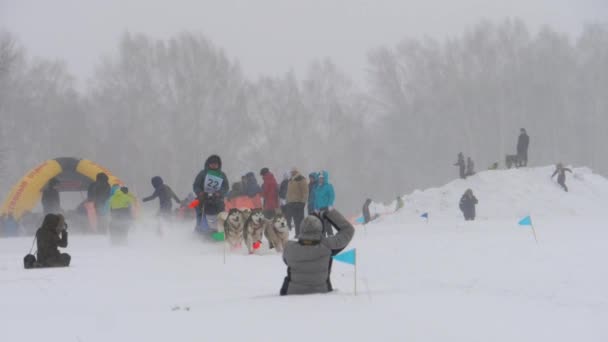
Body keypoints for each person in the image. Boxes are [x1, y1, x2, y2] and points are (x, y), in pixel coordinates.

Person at [280, 209, 355, 296]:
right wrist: (327, 214)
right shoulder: (328, 246)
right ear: (321, 229)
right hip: (321, 293)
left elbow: (286, 261)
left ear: (301, 229)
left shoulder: (289, 248)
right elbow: (348, 230)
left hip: (291, 294)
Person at [193, 155, 229, 233]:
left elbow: (226, 187)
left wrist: (220, 193)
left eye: (216, 163)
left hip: (217, 198)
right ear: (208, 164)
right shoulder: (202, 173)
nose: (214, 165)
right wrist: (200, 192)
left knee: (221, 212)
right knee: (195, 205)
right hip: (203, 197)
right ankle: (198, 227)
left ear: (219, 164)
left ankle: (221, 230)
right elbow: (196, 185)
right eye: (212, 163)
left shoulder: (222, 174)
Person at [285, 168, 309, 238]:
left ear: (296, 172)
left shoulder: (301, 179)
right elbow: (288, 192)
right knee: (295, 220)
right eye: (291, 172)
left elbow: (305, 191)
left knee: (300, 219)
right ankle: (297, 233)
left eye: (293, 172)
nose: (292, 173)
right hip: (291, 203)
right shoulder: (290, 180)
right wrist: (287, 201)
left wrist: (303, 202)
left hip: (299, 202)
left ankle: (302, 233)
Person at [314, 171, 336, 236]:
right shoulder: (318, 187)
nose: (320, 179)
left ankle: (330, 236)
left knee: (327, 222)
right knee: (321, 223)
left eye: (322, 178)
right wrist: (315, 207)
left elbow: (332, 196)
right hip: (320, 208)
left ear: (325, 178)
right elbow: (316, 198)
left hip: (326, 207)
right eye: (319, 178)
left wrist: (330, 205)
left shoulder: (328, 186)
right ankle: (323, 237)